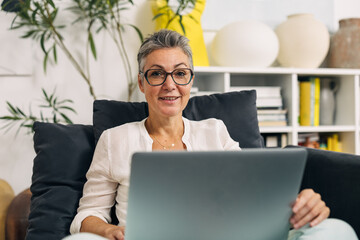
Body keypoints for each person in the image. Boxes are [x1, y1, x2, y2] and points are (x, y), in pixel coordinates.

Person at [67, 29, 358, 240]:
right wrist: (110, 230)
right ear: (142, 83)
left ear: (191, 81)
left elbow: (254, 193)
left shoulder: (215, 131)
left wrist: (300, 202)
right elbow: (87, 214)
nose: (170, 84)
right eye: (157, 74)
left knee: (337, 230)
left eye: (180, 73)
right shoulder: (115, 139)